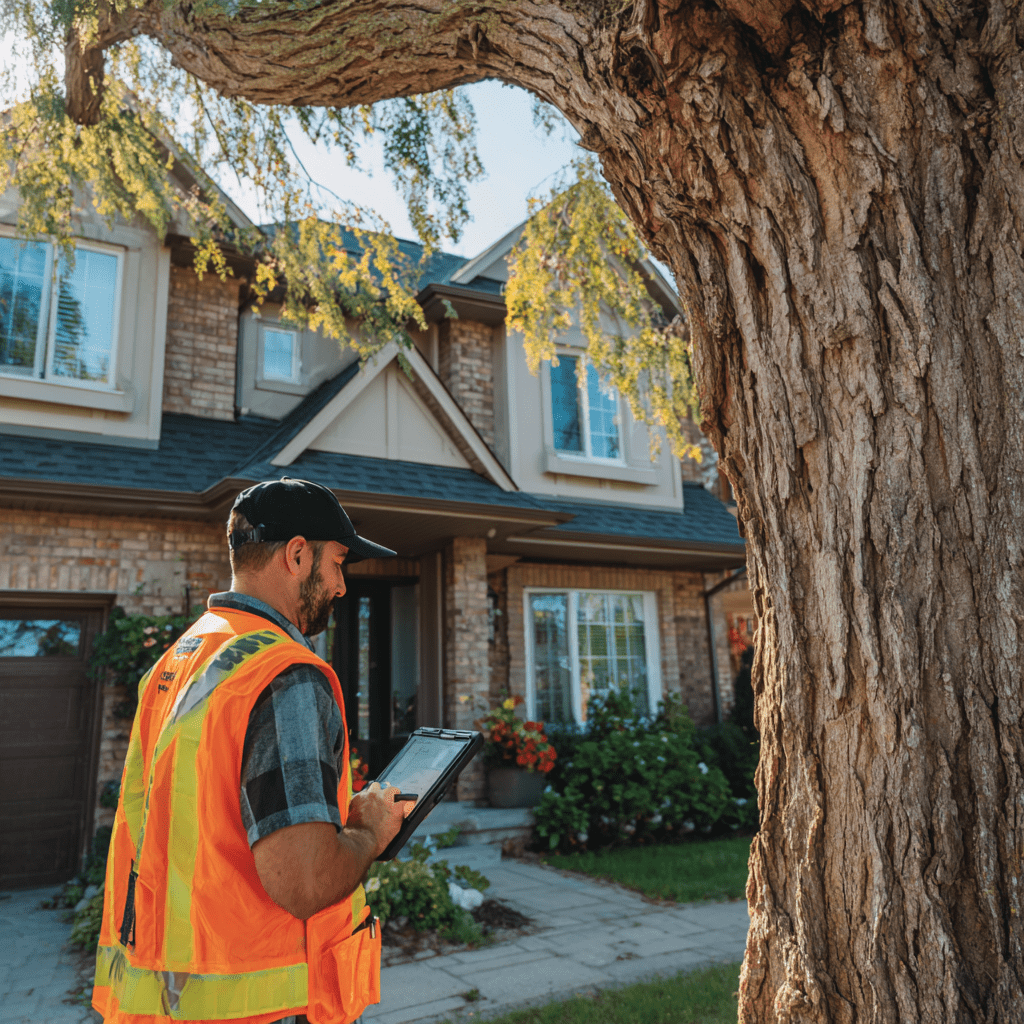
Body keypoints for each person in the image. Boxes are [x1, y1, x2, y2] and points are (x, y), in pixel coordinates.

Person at [92, 477, 411, 1024]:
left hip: (162, 998)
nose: (339, 586)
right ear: (296, 554)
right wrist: (369, 832)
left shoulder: (181, 659)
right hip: (261, 1006)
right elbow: (305, 881)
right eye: (338, 563)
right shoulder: (285, 673)